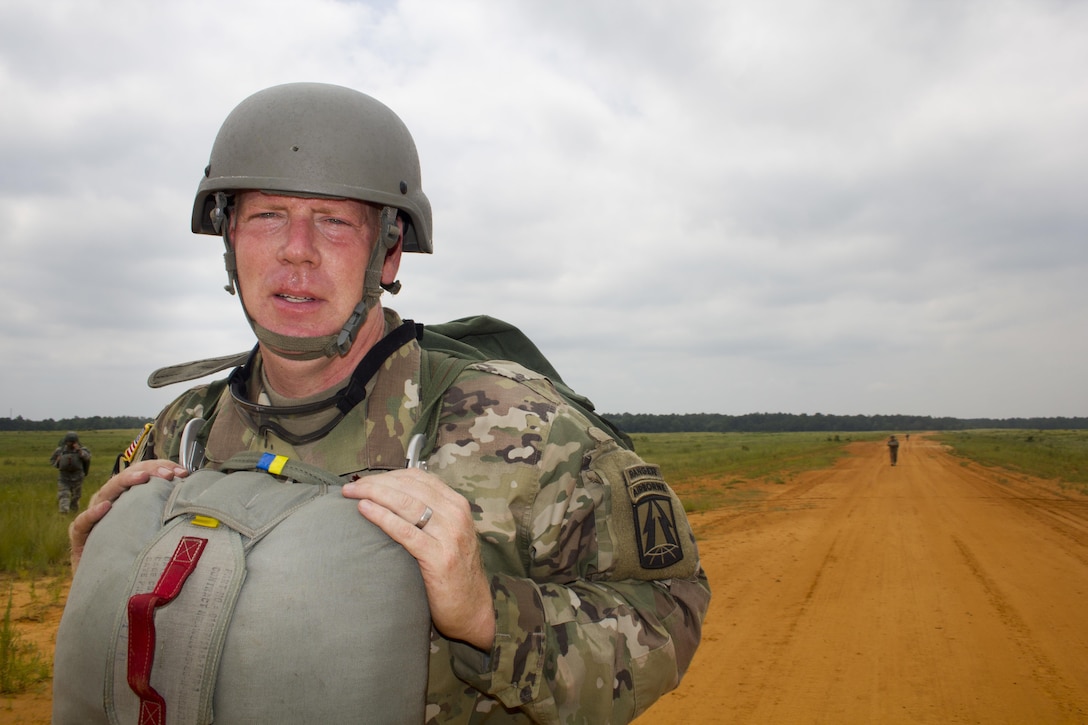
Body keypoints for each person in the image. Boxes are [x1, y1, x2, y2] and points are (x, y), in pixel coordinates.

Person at [61, 82, 710, 723]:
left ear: (390, 247)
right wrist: (106, 575)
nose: (296, 249)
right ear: (227, 237)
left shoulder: (517, 431)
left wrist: (489, 619)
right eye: (267, 215)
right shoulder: (183, 433)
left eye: (335, 222)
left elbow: (669, 606)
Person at [49, 431, 91, 513]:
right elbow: (52, 461)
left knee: (76, 496)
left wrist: (79, 451)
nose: (71, 444)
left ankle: (74, 511)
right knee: (64, 494)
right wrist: (57, 461)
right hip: (64, 477)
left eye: (73, 442)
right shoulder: (60, 451)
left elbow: (87, 458)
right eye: (69, 442)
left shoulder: (82, 450)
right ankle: (63, 512)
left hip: (78, 477)